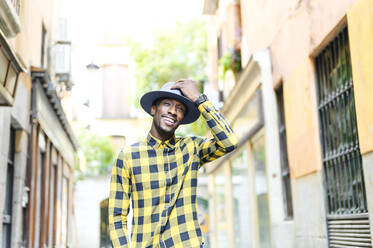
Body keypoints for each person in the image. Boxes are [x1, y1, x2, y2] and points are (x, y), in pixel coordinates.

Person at [109, 79, 237, 248]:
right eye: (167, 104)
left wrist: (199, 99)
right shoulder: (128, 156)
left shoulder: (191, 148)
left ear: (182, 118)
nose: (172, 111)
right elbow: (117, 217)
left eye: (180, 108)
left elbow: (229, 142)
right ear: (154, 109)